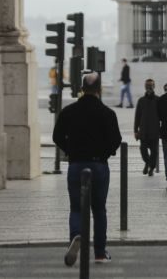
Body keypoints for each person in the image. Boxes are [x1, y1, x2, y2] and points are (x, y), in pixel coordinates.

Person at [52, 71, 122, 266]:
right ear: (99, 89)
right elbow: (116, 140)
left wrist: (70, 150)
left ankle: (76, 235)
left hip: (76, 165)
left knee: (76, 208)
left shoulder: (69, 111)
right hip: (98, 164)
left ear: (82, 88)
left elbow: (57, 136)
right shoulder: (108, 113)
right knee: (99, 210)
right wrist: (105, 153)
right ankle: (99, 253)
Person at [133, 78, 160, 176]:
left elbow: (162, 116)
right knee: (143, 150)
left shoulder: (158, 100)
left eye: (151, 85)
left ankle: (151, 167)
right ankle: (147, 162)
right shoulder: (141, 100)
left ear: (154, 86)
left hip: (154, 131)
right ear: (145, 87)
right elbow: (137, 116)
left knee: (154, 152)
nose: (149, 87)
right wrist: (135, 130)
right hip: (143, 131)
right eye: (147, 85)